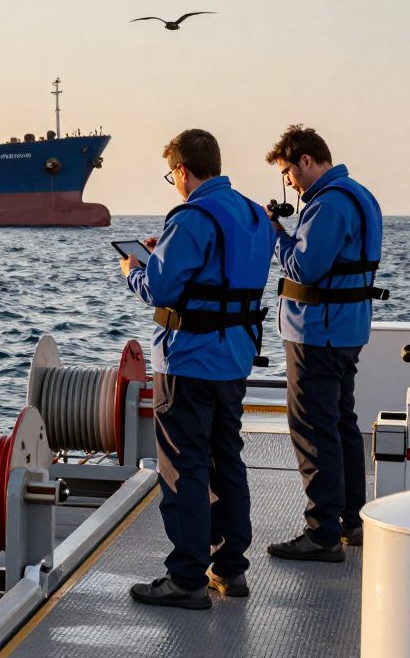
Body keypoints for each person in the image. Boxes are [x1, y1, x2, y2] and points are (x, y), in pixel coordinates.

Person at [122, 129, 276, 609]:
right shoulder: (254, 214)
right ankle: (231, 570)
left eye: (172, 175)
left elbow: (163, 289)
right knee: (226, 459)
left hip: (187, 362)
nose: (174, 183)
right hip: (233, 359)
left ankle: (186, 578)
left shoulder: (189, 217)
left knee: (184, 468)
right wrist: (166, 251)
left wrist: (134, 269)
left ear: (183, 170)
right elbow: (222, 270)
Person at [263, 124, 385, 561]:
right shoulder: (360, 196)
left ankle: (321, 533)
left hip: (318, 332)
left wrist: (276, 233)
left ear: (307, 161)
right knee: (340, 424)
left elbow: (305, 267)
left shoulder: (328, 206)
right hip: (347, 330)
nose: (289, 183)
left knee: (313, 429)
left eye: (288, 172)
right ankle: (352, 521)